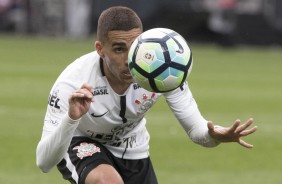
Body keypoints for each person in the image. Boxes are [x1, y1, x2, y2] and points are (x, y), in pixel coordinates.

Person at [36, 6, 257, 184]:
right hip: (81, 141)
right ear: (99, 49)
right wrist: (71, 118)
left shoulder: (160, 70)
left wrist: (215, 136)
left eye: (134, 48)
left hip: (132, 146)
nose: (129, 59)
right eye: (119, 49)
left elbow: (196, 129)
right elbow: (44, 162)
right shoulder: (72, 83)